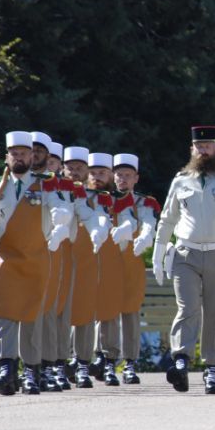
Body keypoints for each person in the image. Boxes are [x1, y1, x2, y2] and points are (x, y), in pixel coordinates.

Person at [153, 126, 215, 394]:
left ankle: (212, 369)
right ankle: (181, 361)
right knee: (188, 308)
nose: (204, 150)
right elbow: (168, 218)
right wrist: (159, 251)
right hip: (186, 253)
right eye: (199, 146)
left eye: (208, 146)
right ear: (192, 149)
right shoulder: (181, 181)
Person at [0, 131, 67, 395]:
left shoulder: (46, 183)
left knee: (32, 313)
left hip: (36, 257)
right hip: (7, 256)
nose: (19, 158)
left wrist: (61, 217)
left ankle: (31, 369)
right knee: (5, 311)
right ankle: (7, 364)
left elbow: (56, 207)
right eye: (14, 154)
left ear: (32, 156)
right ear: (7, 157)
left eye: (23, 154)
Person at [62, 146, 109, 388]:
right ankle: (56, 362)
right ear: (63, 168)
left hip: (86, 261)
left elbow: (100, 217)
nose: (75, 172)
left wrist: (100, 227)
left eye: (80, 168)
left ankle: (82, 362)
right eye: (70, 168)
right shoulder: (56, 190)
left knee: (85, 315)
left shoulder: (96, 197)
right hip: (59, 260)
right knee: (57, 314)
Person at [111, 153, 159, 384]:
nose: (122, 179)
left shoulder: (143, 203)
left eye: (127, 176)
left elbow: (150, 222)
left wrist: (147, 234)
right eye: (119, 174)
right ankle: (105, 359)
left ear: (136, 178)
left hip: (131, 264)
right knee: (104, 312)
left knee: (130, 313)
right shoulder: (103, 200)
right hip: (107, 264)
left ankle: (129, 362)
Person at [88, 152, 135, 386]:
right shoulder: (79, 196)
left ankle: (107, 358)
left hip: (111, 260)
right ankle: (77, 358)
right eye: (93, 173)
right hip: (84, 260)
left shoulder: (118, 199)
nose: (97, 177)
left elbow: (129, 220)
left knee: (108, 311)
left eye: (103, 173)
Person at [31, 131, 73, 392]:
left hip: (55, 252)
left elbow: (69, 211)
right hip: (23, 251)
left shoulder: (62, 186)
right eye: (30, 152)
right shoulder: (16, 180)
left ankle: (50, 364)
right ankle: (15, 363)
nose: (38, 158)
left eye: (45, 155)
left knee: (50, 311)